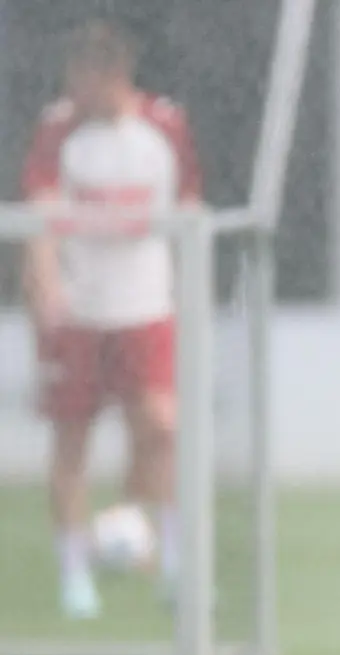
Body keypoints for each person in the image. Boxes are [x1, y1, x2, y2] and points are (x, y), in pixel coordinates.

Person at [22, 18, 203, 619]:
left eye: (82, 78)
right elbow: (41, 217)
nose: (73, 90)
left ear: (111, 75)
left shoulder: (164, 127)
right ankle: (76, 575)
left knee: (159, 428)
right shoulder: (58, 130)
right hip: (78, 311)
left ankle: (166, 554)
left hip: (145, 305)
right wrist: (45, 291)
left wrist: (192, 292)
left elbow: (189, 212)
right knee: (71, 442)